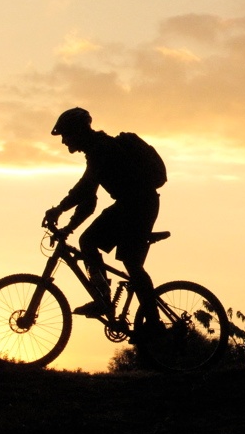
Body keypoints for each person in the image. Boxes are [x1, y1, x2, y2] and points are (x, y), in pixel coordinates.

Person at [42, 108, 165, 338]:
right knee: (87, 241)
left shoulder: (101, 149)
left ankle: (153, 323)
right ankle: (103, 299)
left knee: (131, 262)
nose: (64, 142)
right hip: (130, 204)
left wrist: (59, 209)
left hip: (139, 204)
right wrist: (69, 228)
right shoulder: (96, 150)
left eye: (65, 135)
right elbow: (89, 201)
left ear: (78, 131)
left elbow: (85, 188)